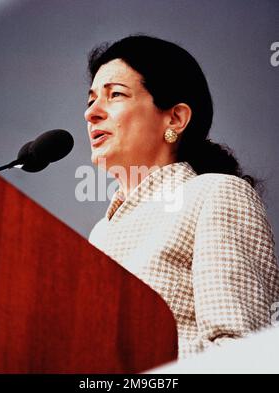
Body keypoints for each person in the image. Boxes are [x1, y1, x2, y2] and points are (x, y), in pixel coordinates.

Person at [85, 34, 279, 359]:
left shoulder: (215, 195)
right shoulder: (99, 234)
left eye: (115, 94)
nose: (92, 113)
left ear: (174, 119)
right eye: (90, 100)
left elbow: (239, 354)